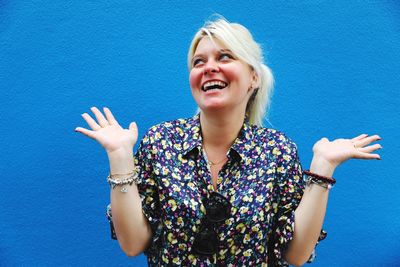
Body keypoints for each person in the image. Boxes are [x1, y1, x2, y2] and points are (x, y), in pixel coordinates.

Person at [75, 18, 381, 266]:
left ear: (253, 78)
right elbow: (133, 245)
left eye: (225, 57)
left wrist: (322, 167)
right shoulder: (160, 142)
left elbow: (296, 255)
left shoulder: (277, 151)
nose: (209, 67)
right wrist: (119, 156)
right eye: (198, 62)